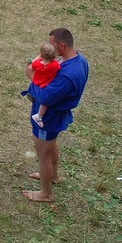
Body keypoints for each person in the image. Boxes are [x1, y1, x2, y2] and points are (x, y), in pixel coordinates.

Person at [22, 27, 89, 203]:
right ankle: (53, 176)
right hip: (54, 117)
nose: (49, 48)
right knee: (50, 146)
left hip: (48, 119)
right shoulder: (79, 60)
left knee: (43, 154)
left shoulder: (68, 74)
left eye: (52, 44)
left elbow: (45, 96)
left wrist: (32, 76)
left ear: (61, 46)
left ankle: (46, 194)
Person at [26, 42, 59, 128]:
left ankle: (31, 94)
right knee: (45, 103)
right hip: (45, 86)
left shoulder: (37, 63)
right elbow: (59, 67)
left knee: (36, 96)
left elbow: (31, 66)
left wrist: (36, 59)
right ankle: (39, 116)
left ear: (41, 54)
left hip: (36, 84)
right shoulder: (55, 65)